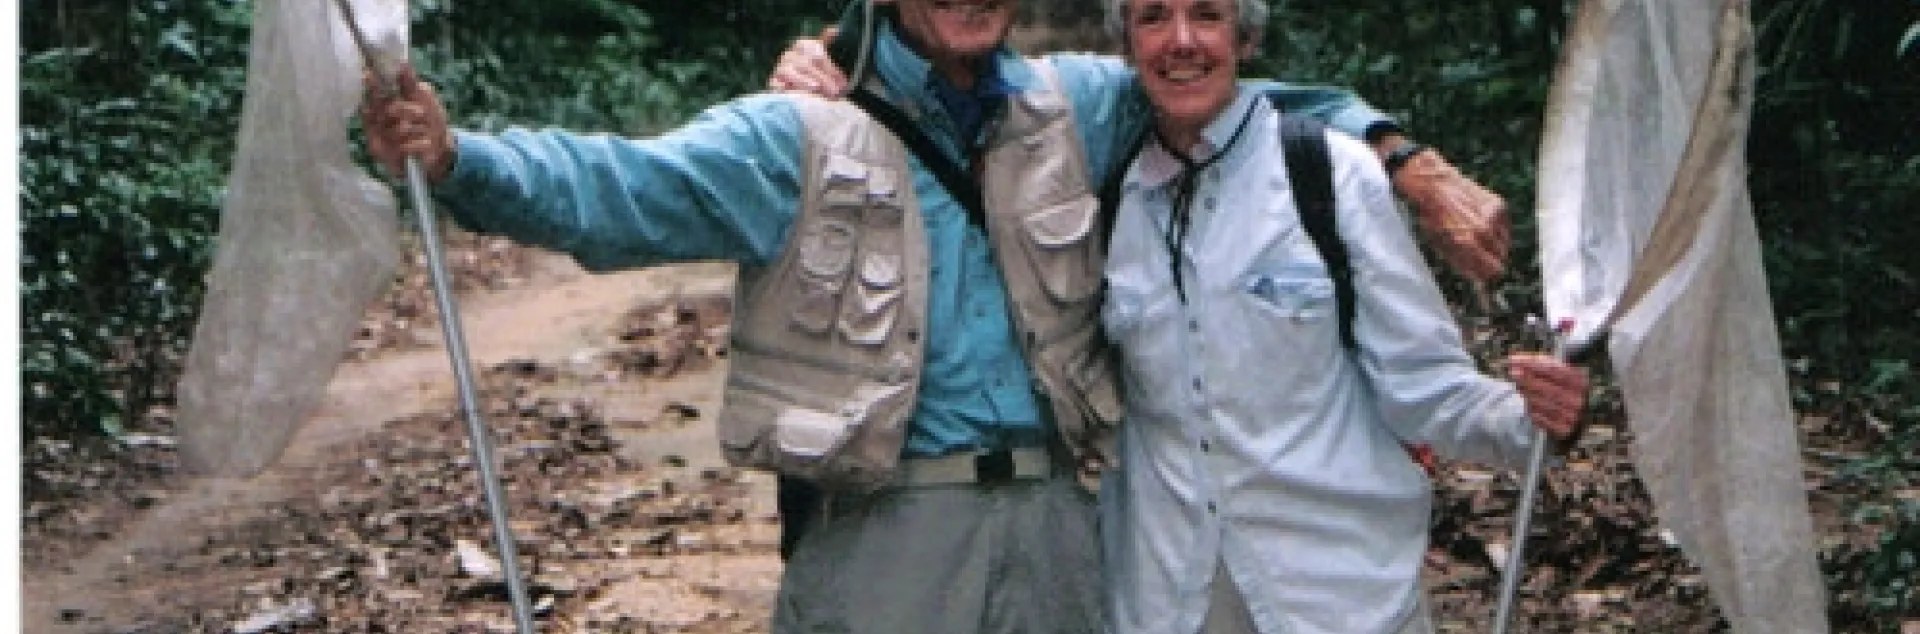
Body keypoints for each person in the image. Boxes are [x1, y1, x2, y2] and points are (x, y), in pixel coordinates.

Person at [361, 2, 1490, 633]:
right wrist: (460, 157)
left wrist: (1404, 157)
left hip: (1059, 528)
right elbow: (616, 189)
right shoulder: (792, 129)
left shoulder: (1078, 104)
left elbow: (1228, 89)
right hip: (884, 535)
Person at [1093, 1, 1589, 633]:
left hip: (1340, 594)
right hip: (1169, 599)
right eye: (1154, 17)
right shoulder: (1111, 197)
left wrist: (1537, 419)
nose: (1181, 41)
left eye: (1208, 15)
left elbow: (1426, 386)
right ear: (1126, 46)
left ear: (1244, 39)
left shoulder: (1331, 172)